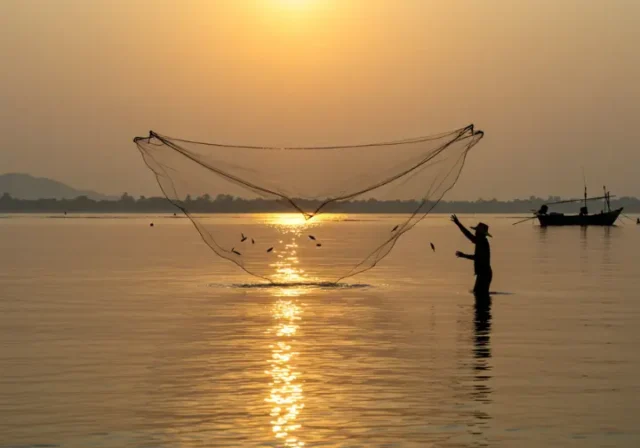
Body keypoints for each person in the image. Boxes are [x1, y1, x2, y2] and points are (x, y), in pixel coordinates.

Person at [451, 214, 492, 297]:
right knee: (479, 295)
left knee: (479, 295)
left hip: (484, 274)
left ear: (480, 233)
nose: (475, 232)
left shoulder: (482, 243)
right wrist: (458, 224)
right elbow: (468, 235)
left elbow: (477, 257)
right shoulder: (480, 241)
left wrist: (464, 255)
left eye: (477, 231)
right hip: (484, 273)